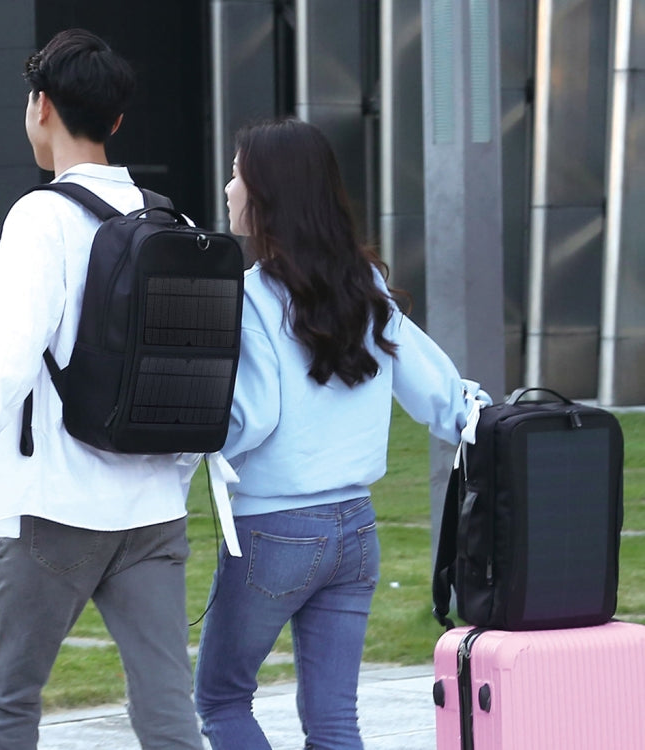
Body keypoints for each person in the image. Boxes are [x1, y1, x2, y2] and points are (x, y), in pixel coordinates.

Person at [0, 29, 204, 750]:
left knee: (7, 702)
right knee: (167, 711)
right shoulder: (174, 220)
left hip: (53, 508)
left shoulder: (39, 218)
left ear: (40, 106)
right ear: (116, 119)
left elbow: (6, 368)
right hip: (155, 510)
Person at [192, 118, 490, 750]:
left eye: (237, 175)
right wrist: (478, 417)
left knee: (221, 699)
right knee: (334, 722)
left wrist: (194, 436)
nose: (227, 187)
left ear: (268, 194)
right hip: (356, 529)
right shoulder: (365, 284)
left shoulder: (249, 297)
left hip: (272, 529)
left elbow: (251, 419)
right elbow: (440, 394)